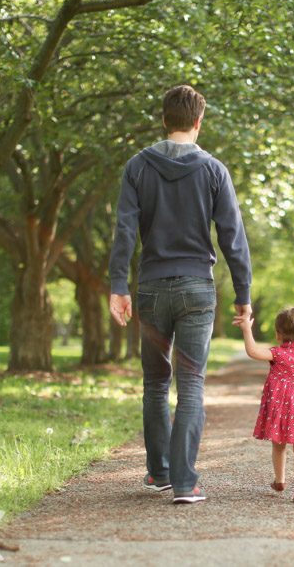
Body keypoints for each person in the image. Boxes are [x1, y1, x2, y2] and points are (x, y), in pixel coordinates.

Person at [109, 85, 253, 504]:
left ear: (164, 120)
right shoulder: (213, 170)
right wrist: (243, 292)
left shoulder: (137, 166)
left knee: (155, 384)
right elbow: (233, 236)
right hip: (196, 291)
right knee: (191, 385)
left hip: (151, 289)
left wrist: (119, 285)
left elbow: (124, 230)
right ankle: (185, 484)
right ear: (198, 122)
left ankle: (159, 474)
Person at [236, 306, 294, 503]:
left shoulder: (278, 354)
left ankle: (280, 480)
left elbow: (253, 351)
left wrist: (247, 329)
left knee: (279, 444)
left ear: (278, 335)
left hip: (281, 410)